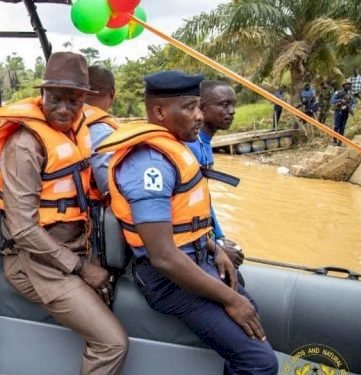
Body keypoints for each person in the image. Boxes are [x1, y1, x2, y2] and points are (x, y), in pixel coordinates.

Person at [97, 70, 278, 375]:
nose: (199, 116)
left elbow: (183, 222)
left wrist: (213, 246)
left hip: (198, 258)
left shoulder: (175, 149)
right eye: (190, 107)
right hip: (168, 280)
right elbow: (163, 256)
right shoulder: (149, 165)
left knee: (252, 317)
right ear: (159, 112)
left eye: (199, 107)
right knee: (260, 363)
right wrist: (231, 300)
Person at [0, 52, 128, 375]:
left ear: (85, 101)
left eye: (73, 101)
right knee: (113, 343)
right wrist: (82, 268)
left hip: (73, 250)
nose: (63, 109)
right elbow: (23, 229)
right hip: (36, 262)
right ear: (42, 95)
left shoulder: (77, 132)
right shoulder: (25, 146)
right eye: (55, 99)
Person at [185, 80, 244, 270]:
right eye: (224, 104)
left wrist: (220, 236)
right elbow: (187, 206)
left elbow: (204, 199)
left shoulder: (205, 144)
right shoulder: (191, 147)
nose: (232, 110)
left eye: (233, 104)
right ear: (201, 108)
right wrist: (216, 245)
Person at [83, 65, 121, 258]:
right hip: (91, 218)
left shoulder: (67, 119)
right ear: (112, 93)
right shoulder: (101, 130)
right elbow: (110, 187)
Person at [331, 82, 354, 146]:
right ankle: (334, 140)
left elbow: (353, 102)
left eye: (349, 85)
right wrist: (340, 100)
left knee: (342, 127)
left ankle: (340, 141)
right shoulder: (338, 92)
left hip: (345, 112)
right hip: (338, 111)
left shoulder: (350, 94)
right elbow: (332, 100)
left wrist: (351, 108)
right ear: (343, 86)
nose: (348, 86)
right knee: (336, 126)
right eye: (347, 85)